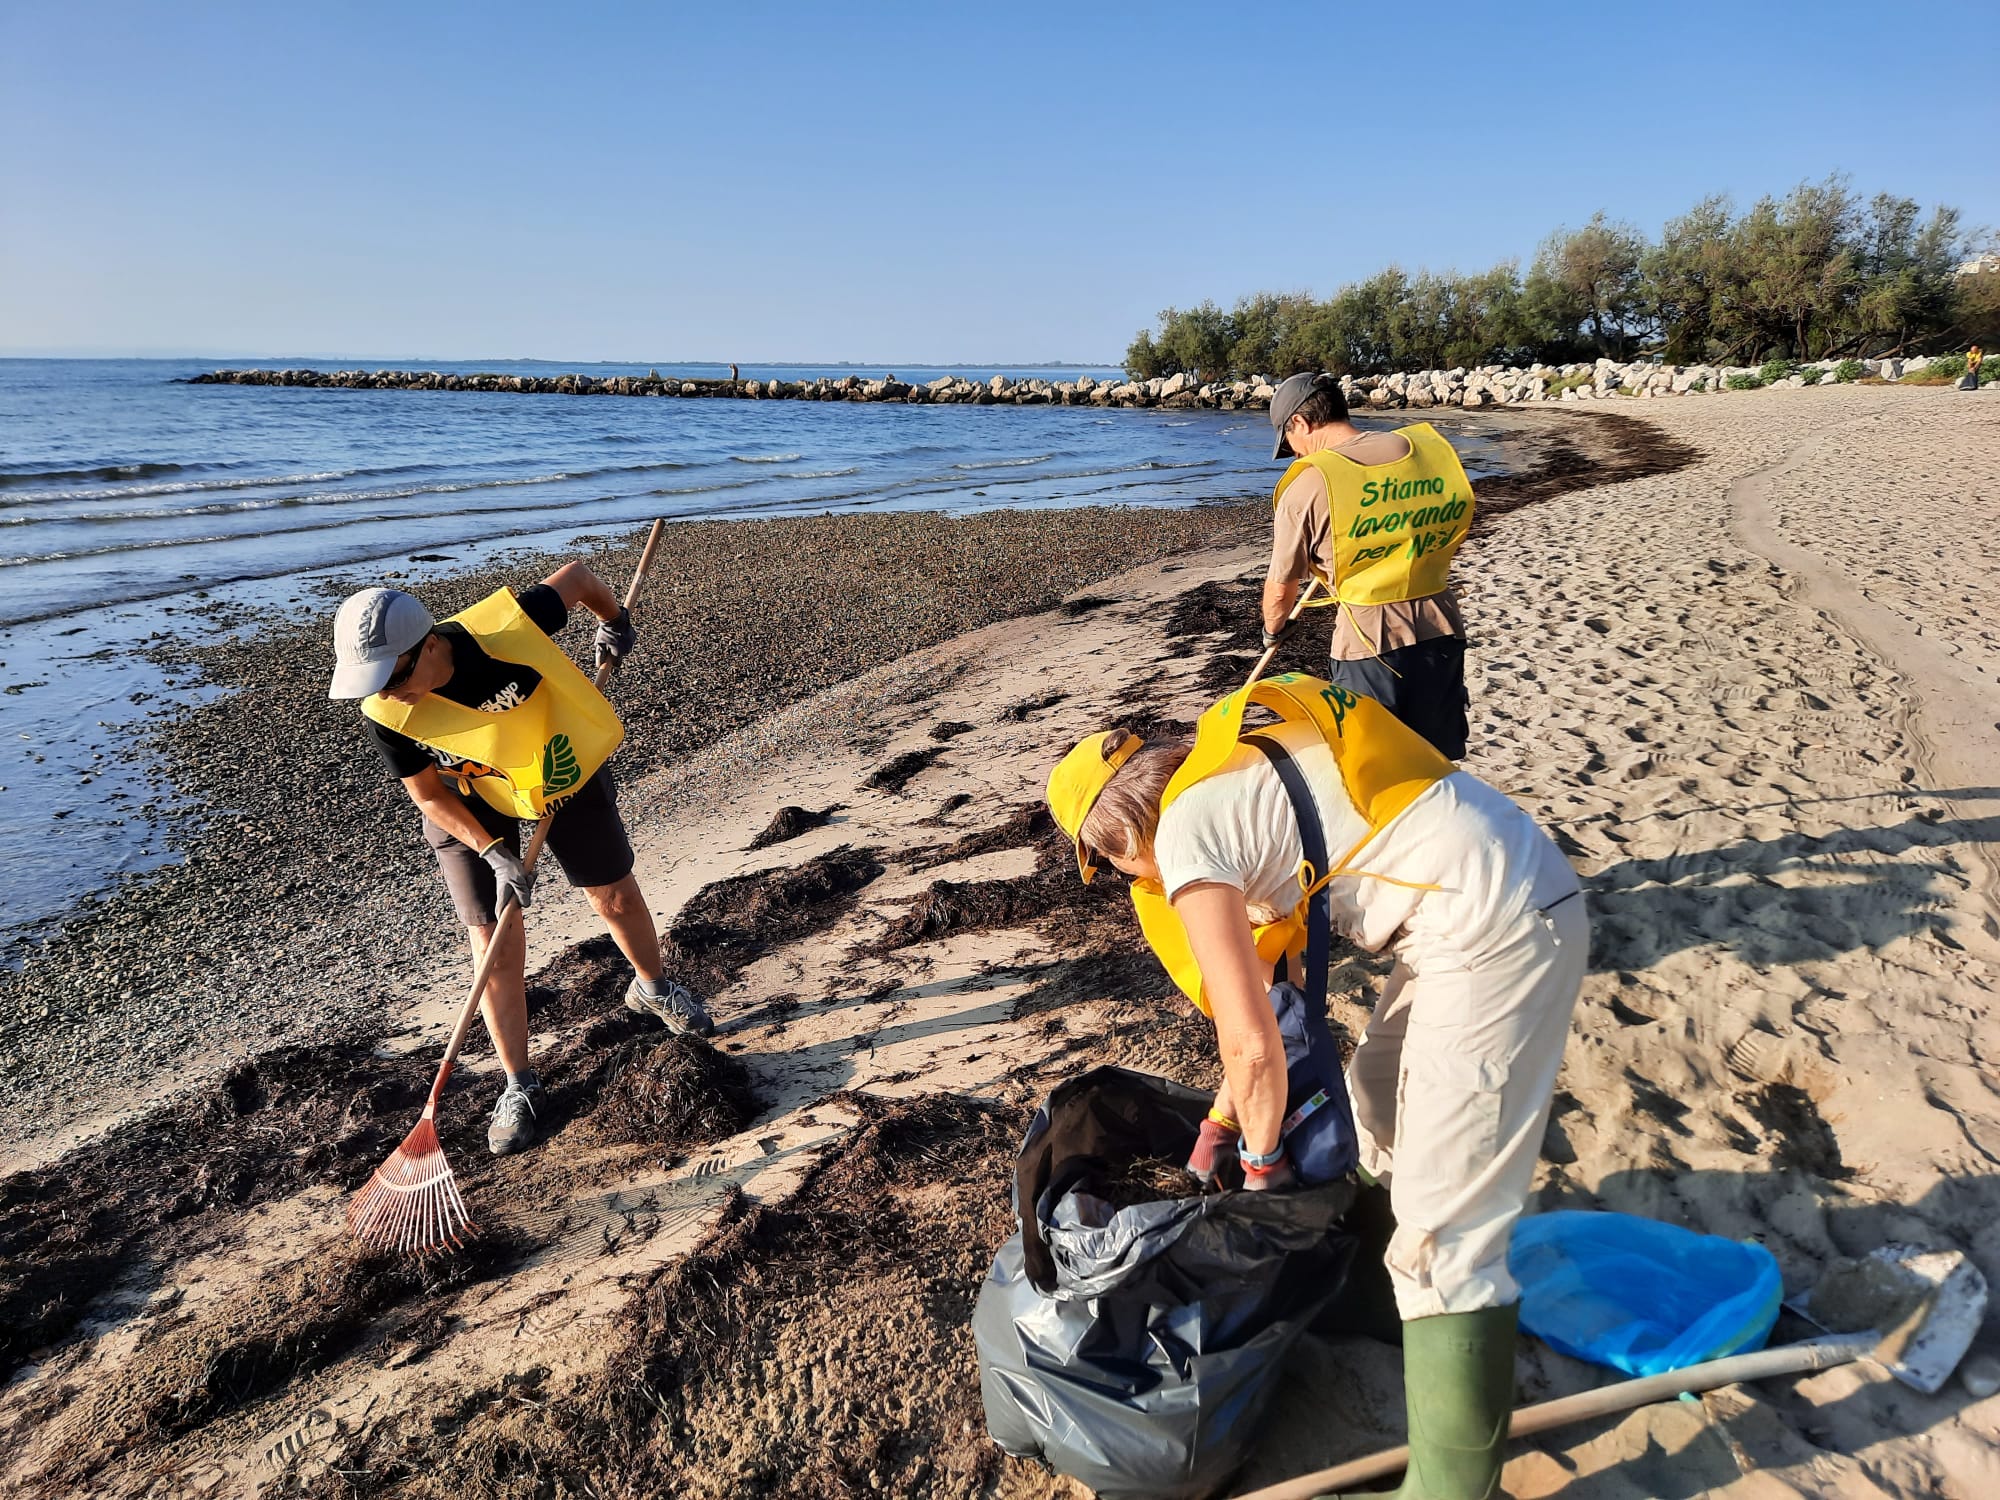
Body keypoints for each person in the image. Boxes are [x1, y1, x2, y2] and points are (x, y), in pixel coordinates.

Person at [1047, 673, 1585, 1500]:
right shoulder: (1225, 775)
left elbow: (1255, 1044)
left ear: (1120, 842)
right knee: (1374, 1100)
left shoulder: (1187, 842)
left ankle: (1448, 1484)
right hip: (1486, 885)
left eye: (1117, 868)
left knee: (1446, 1240)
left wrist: (1259, 1165)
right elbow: (1281, 1013)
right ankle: (1377, 1296)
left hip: (1495, 928)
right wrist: (1220, 1120)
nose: (1136, 885)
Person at [327, 565, 713, 1156]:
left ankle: (654, 987)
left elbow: (581, 578)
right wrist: (492, 850)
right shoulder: (385, 711)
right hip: (467, 802)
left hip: (553, 766)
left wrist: (614, 622)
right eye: (368, 682)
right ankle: (519, 1084)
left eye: (392, 676)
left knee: (612, 893)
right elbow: (427, 794)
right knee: (495, 938)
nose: (383, 692)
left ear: (429, 644)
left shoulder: (505, 631)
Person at [1263, 372, 1475, 760]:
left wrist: (1273, 631)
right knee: (1436, 760)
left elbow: (1281, 587)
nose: (1294, 454)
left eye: (1289, 442)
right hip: (1442, 624)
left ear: (1300, 423)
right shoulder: (1423, 452)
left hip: (1370, 644)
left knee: (1372, 765)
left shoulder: (1310, 485)